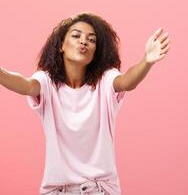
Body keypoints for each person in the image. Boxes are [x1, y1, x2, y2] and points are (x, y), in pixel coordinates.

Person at [0, 12, 171, 195]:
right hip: (57, 190)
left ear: (95, 52)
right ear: (61, 46)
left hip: (100, 189)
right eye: (76, 36)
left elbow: (127, 81)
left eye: (91, 40)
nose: (83, 42)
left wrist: (146, 61)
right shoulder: (47, 83)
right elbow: (25, 85)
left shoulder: (105, 81)